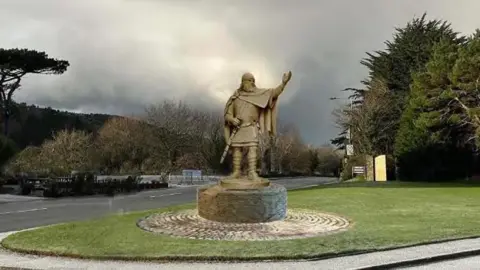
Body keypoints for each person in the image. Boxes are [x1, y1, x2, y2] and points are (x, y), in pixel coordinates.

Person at [223, 71, 292, 180]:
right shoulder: (235, 97)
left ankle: (252, 173)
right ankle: (236, 172)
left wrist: (283, 84)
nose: (251, 83)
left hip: (251, 127)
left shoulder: (259, 95)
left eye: (252, 81)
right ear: (242, 82)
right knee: (237, 149)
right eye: (248, 80)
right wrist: (232, 119)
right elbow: (227, 114)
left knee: (252, 148)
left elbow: (273, 93)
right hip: (239, 128)